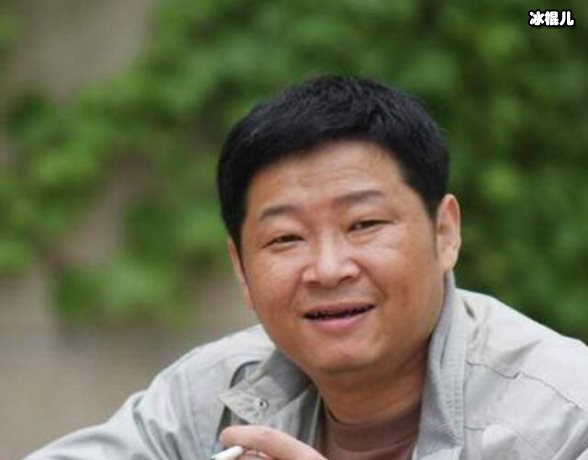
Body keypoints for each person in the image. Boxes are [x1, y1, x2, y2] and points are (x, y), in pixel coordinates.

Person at [26, 76, 588, 460]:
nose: (328, 268)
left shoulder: (565, 414)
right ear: (241, 269)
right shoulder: (214, 390)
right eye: (286, 238)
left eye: (364, 224)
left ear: (445, 232)